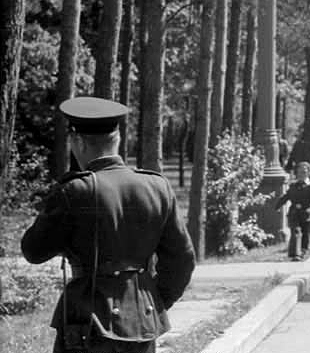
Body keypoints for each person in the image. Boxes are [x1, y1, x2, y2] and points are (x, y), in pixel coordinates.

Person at [21, 96, 196, 353]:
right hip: (141, 323)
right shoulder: (157, 187)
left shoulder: (74, 191)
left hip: (86, 325)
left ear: (78, 143)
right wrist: (154, 300)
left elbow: (34, 251)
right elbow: (182, 260)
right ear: (118, 140)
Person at [274, 161, 310, 261]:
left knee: (306, 234)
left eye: (303, 172)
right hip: (294, 213)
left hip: (307, 214)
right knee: (296, 232)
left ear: (308, 173)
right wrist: (278, 206)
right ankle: (295, 254)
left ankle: (303, 251)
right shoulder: (293, 186)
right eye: (299, 172)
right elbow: (286, 196)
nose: (301, 175)